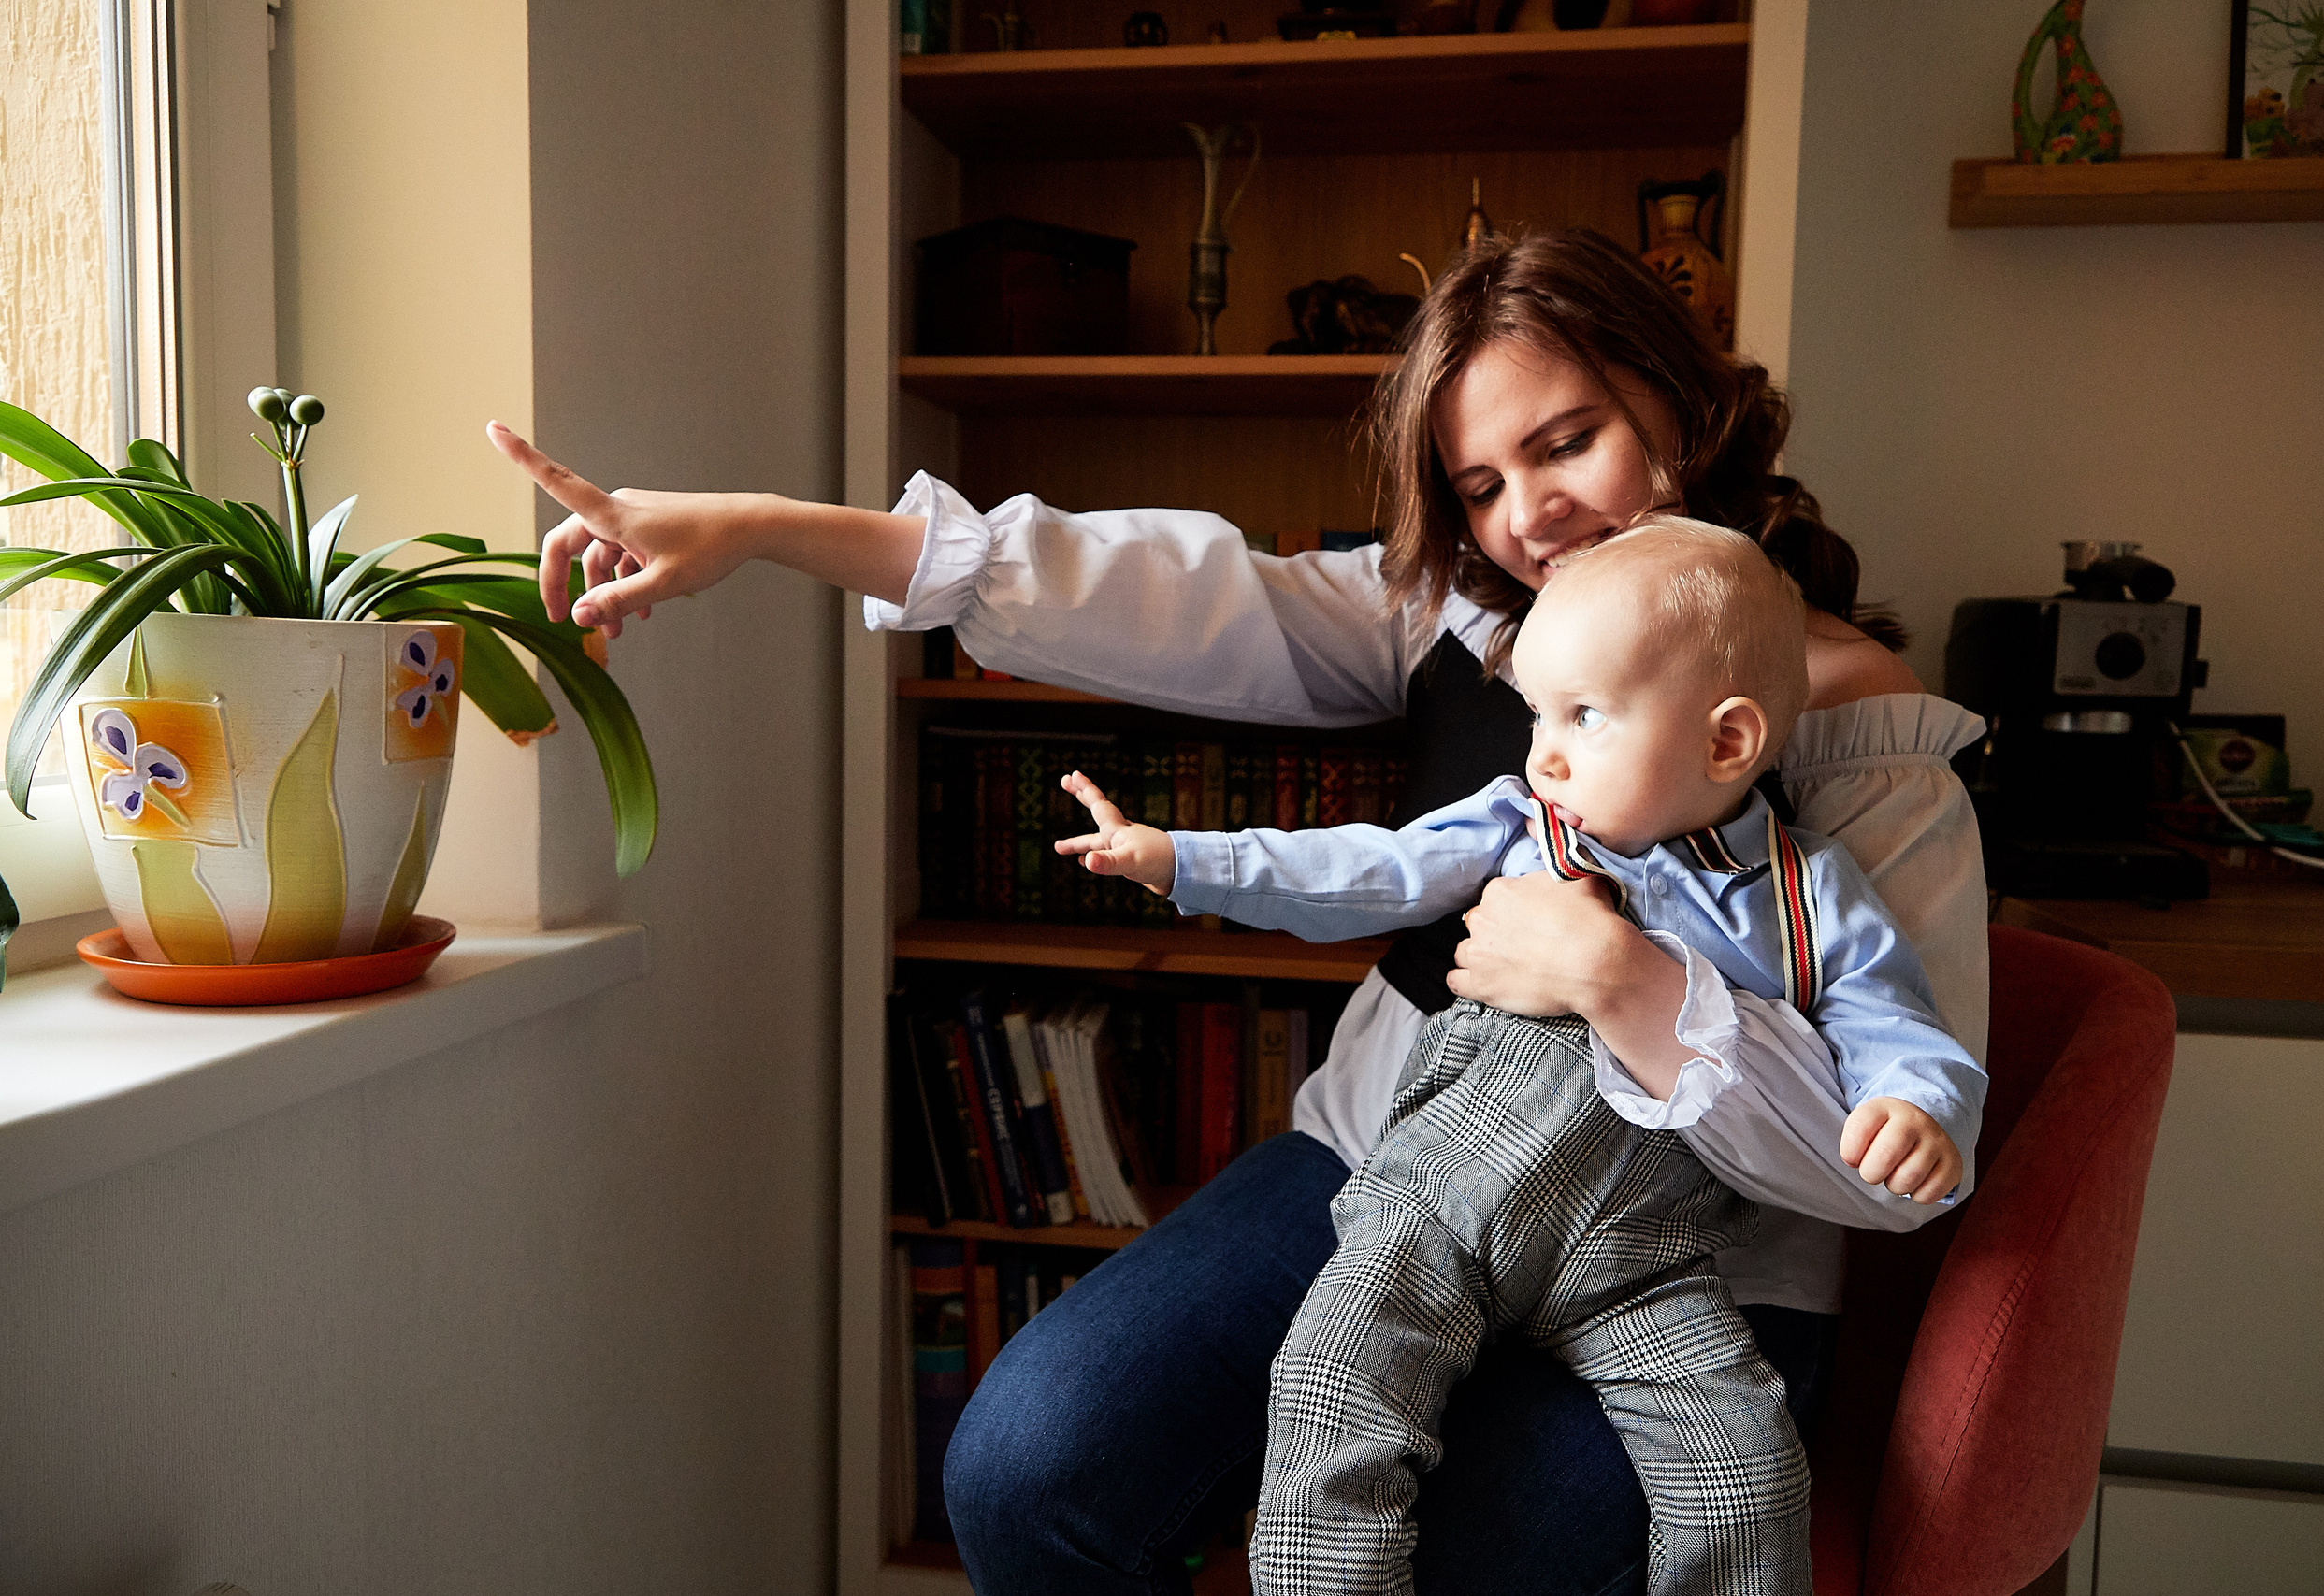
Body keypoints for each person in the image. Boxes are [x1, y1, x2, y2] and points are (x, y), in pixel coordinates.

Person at [487, 227, 1992, 1594]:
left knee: (1472, 1554)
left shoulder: (1875, 753)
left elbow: (1893, 1162)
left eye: (1570, 441)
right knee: (1027, 1468)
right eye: (1480, 483)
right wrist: (766, 528)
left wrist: (1623, 980)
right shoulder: (1464, 624)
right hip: (1397, 1160)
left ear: (1674, 399)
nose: (1530, 516)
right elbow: (1161, 587)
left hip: (1689, 1265)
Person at [1053, 523, 1981, 1596]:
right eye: (1538, 712)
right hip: (1438, 1205)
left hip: (1641, 1256)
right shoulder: (1521, 825)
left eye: (1582, 716)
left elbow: (1897, 1027)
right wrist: (1182, 861)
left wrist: (1916, 1105)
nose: (1541, 751)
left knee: (1742, 1462)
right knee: (1332, 1386)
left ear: (1727, 743)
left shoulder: (1808, 894)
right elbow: (1367, 871)